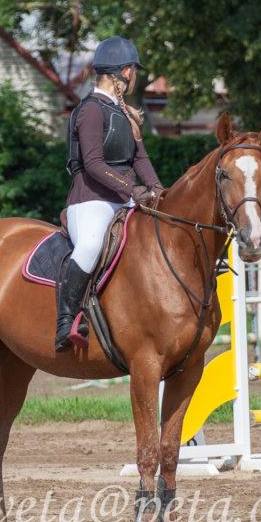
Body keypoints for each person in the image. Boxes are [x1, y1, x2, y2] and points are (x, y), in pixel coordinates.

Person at [55, 36, 164, 351]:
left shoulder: (124, 114)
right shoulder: (90, 110)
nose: (135, 76)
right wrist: (132, 189)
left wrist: (159, 192)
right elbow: (92, 164)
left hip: (123, 200)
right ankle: (66, 320)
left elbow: (140, 159)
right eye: (134, 71)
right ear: (126, 72)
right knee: (90, 245)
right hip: (91, 200)